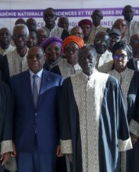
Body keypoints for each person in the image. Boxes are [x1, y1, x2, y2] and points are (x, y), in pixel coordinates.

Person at [59, 45, 132, 172]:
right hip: (79, 142)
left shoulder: (110, 82)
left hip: (105, 141)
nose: (86, 60)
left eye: (89, 57)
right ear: (78, 60)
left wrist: (122, 139)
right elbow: (64, 117)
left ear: (96, 59)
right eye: (81, 58)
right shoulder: (68, 84)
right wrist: (67, 146)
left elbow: (120, 113)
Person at [10, 46, 63, 172]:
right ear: (27, 59)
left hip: (48, 142)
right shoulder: (15, 81)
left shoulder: (56, 80)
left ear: (44, 58)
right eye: (31, 57)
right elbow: (10, 114)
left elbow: (61, 114)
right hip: (22, 142)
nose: (34, 59)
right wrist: (10, 140)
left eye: (38, 56)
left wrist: (61, 140)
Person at [108, 42, 139, 172]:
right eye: (116, 56)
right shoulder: (105, 77)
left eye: (123, 56)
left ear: (129, 57)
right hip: (111, 130)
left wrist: (134, 131)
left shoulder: (137, 76)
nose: (119, 59)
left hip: (132, 131)